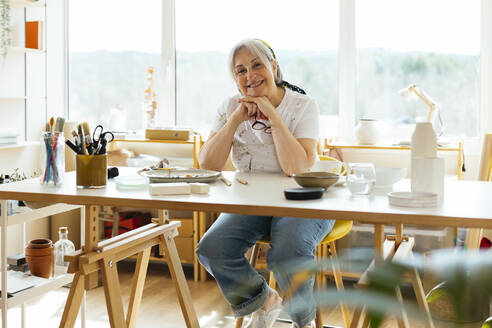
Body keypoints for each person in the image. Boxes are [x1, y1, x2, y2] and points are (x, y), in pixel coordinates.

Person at [196, 39, 334, 328]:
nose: (250, 76)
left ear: (273, 66)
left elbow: (295, 168)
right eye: (240, 70)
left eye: (257, 65)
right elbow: (208, 164)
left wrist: (272, 115)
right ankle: (264, 301)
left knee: (288, 251)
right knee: (212, 248)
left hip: (302, 198)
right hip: (252, 202)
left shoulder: (303, 106)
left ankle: (303, 320)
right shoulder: (229, 108)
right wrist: (234, 120)